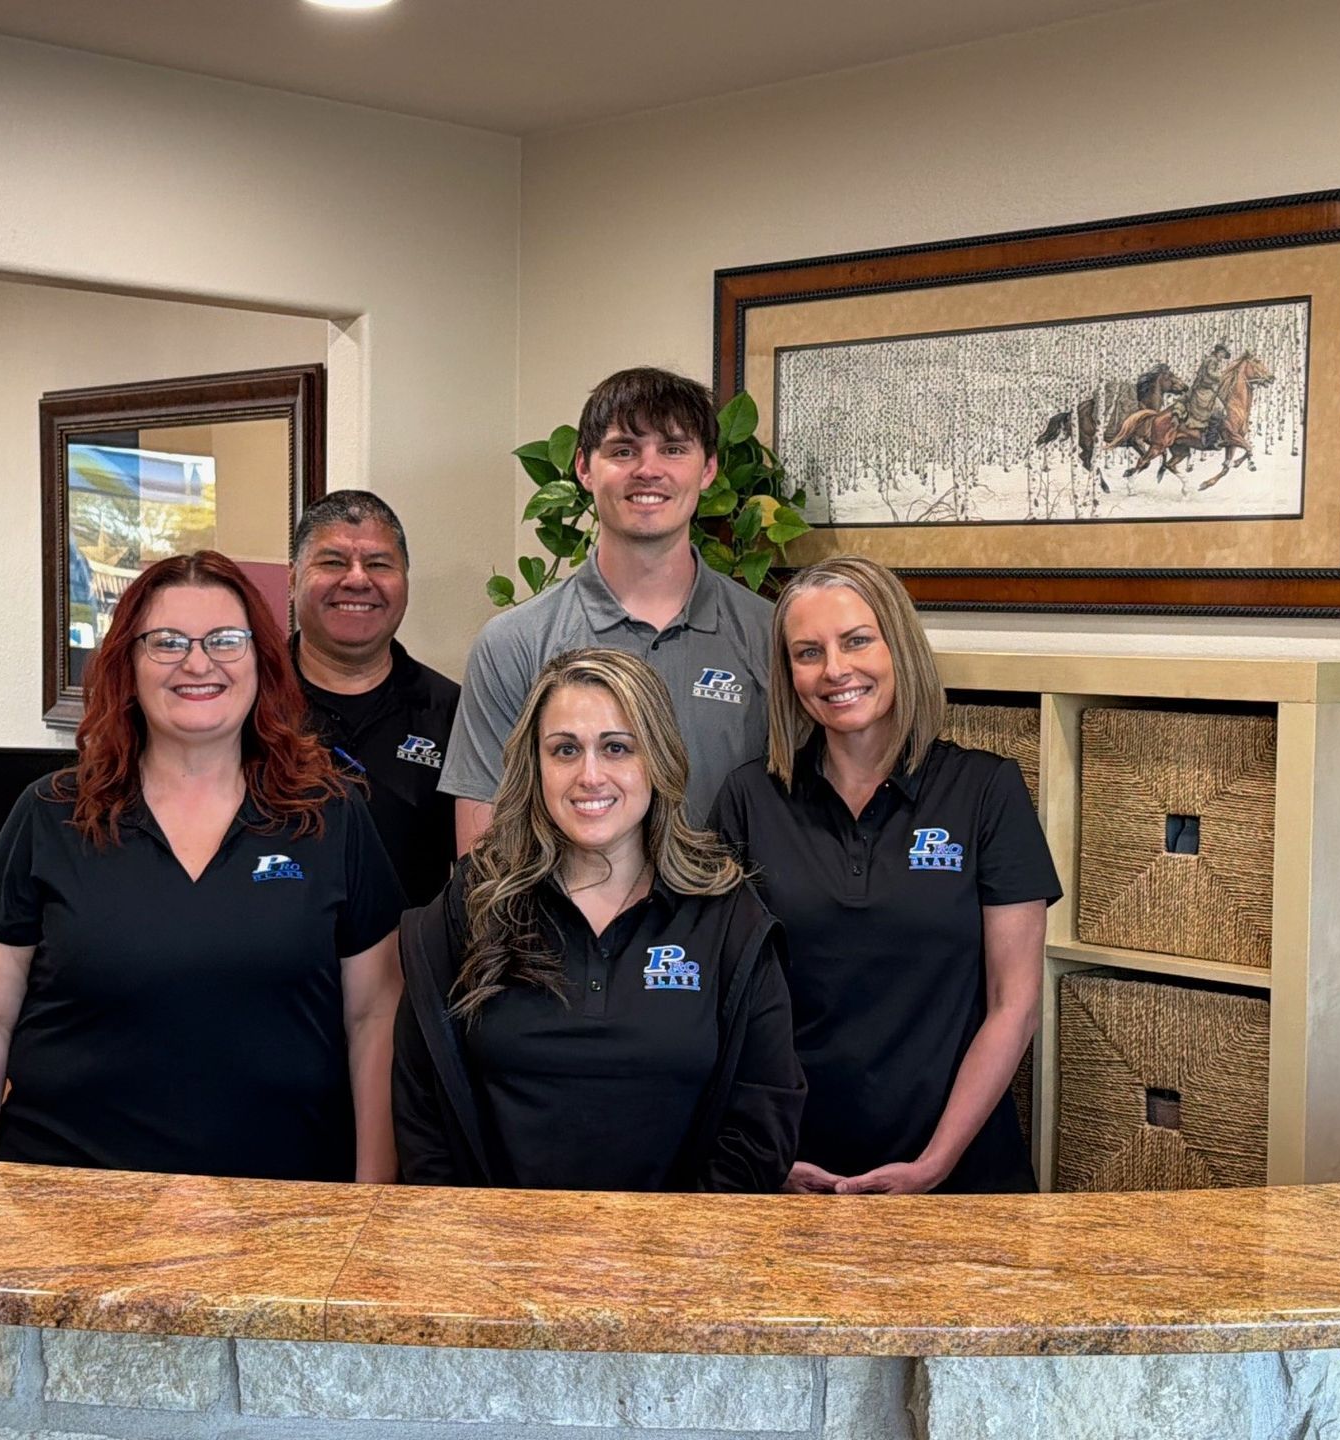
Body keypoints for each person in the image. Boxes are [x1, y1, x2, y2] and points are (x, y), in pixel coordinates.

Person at [0, 550, 404, 1181]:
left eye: (225, 640)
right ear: (127, 665)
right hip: (67, 1208)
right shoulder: (51, 814)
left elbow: (374, 1015)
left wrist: (371, 1204)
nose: (197, 662)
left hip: (286, 1215)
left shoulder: (331, 817)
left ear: (262, 662)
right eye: (166, 642)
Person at [711, 557, 1060, 1195]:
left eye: (856, 641)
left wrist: (934, 1164)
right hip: (793, 1172)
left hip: (961, 1171)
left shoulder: (985, 790)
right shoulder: (748, 801)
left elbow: (1016, 1006)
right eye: (808, 652)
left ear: (898, 646)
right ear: (789, 675)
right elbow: (719, 1007)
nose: (836, 670)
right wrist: (764, 1152)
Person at [396, 648, 805, 1192]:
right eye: (565, 750)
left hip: (685, 1260)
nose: (590, 775)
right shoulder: (474, 904)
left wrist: (678, 1250)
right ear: (534, 766)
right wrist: (474, 1240)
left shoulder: (726, 913)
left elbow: (764, 1114)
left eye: (617, 748)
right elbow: (423, 1105)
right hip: (494, 1253)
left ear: (657, 760)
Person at [441, 367, 773, 853]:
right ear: (584, 468)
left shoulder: (767, 632)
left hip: (731, 922)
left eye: (674, 449)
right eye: (623, 450)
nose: (648, 469)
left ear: (707, 470)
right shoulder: (514, 642)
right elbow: (485, 839)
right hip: (564, 925)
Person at [291, 490, 460, 909]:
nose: (357, 579)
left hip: (411, 969)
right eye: (332, 562)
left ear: (405, 580)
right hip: (273, 969)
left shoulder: (452, 712)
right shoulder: (246, 702)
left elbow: (479, 869)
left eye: (379, 564)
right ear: (292, 578)